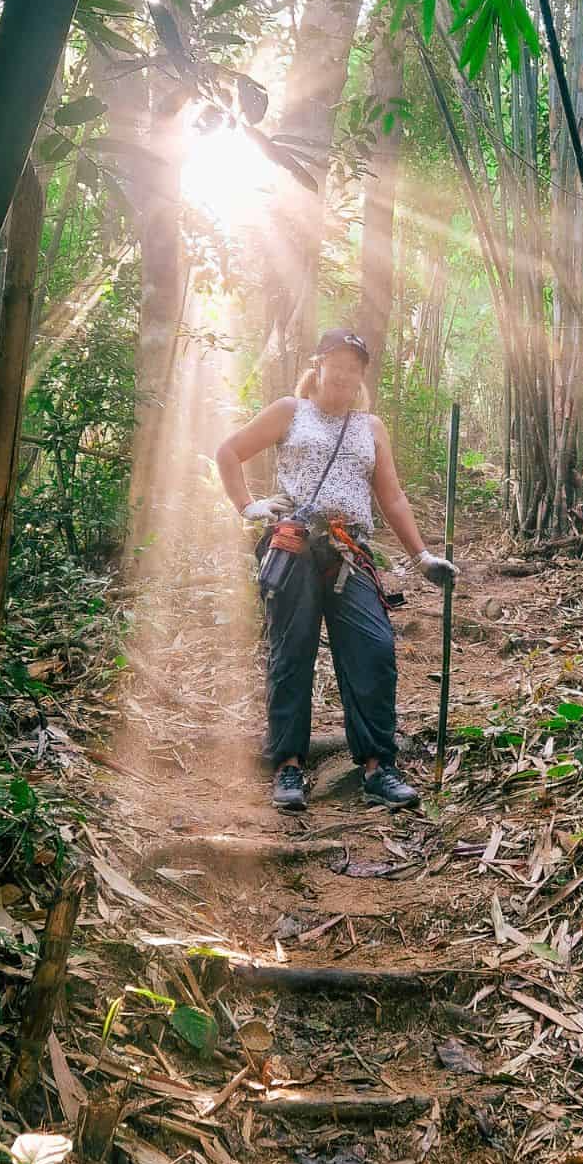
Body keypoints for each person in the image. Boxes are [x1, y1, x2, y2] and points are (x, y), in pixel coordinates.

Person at [216, 327, 457, 811]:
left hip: (351, 553)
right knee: (291, 654)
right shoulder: (291, 411)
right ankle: (287, 768)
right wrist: (248, 507)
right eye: (338, 363)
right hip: (295, 549)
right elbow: (229, 452)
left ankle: (377, 767)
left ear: (362, 375)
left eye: (355, 367)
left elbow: (391, 496)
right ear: (320, 364)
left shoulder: (371, 427)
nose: (345, 374)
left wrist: (422, 557)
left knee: (374, 649)